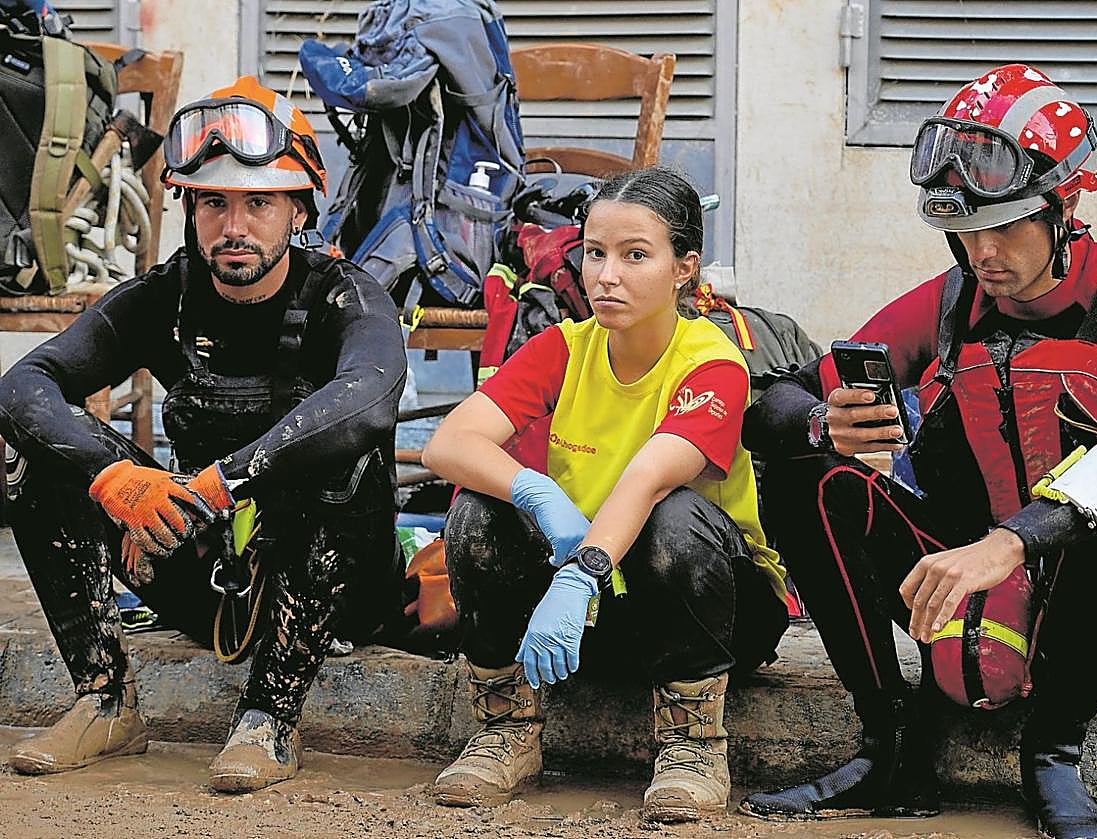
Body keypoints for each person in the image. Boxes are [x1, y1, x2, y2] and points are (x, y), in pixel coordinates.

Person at [738, 64, 1097, 839]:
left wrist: (1010, 542)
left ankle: (1052, 754)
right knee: (810, 476)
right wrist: (825, 423)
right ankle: (888, 746)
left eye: (1005, 224)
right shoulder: (952, 300)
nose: (981, 251)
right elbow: (774, 398)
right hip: (976, 588)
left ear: (1066, 204)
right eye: (964, 228)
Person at [0, 76, 407, 793]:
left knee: (346, 455)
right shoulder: (164, 296)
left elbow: (366, 400)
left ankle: (270, 716)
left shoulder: (346, 298)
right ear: (188, 208)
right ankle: (103, 699)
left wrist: (220, 484)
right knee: (28, 453)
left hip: (335, 588)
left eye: (258, 203)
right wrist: (115, 477)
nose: (234, 225)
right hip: (214, 577)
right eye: (213, 202)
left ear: (299, 209)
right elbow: (23, 387)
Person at [421, 166, 789, 822]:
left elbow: (649, 476)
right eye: (594, 252)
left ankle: (693, 742)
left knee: (675, 518)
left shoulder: (712, 361)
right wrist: (532, 488)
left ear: (685, 268)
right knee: (478, 512)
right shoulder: (565, 347)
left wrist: (580, 574)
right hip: (601, 608)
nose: (606, 274)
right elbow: (449, 443)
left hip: (713, 605)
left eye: (635, 255)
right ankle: (506, 727)